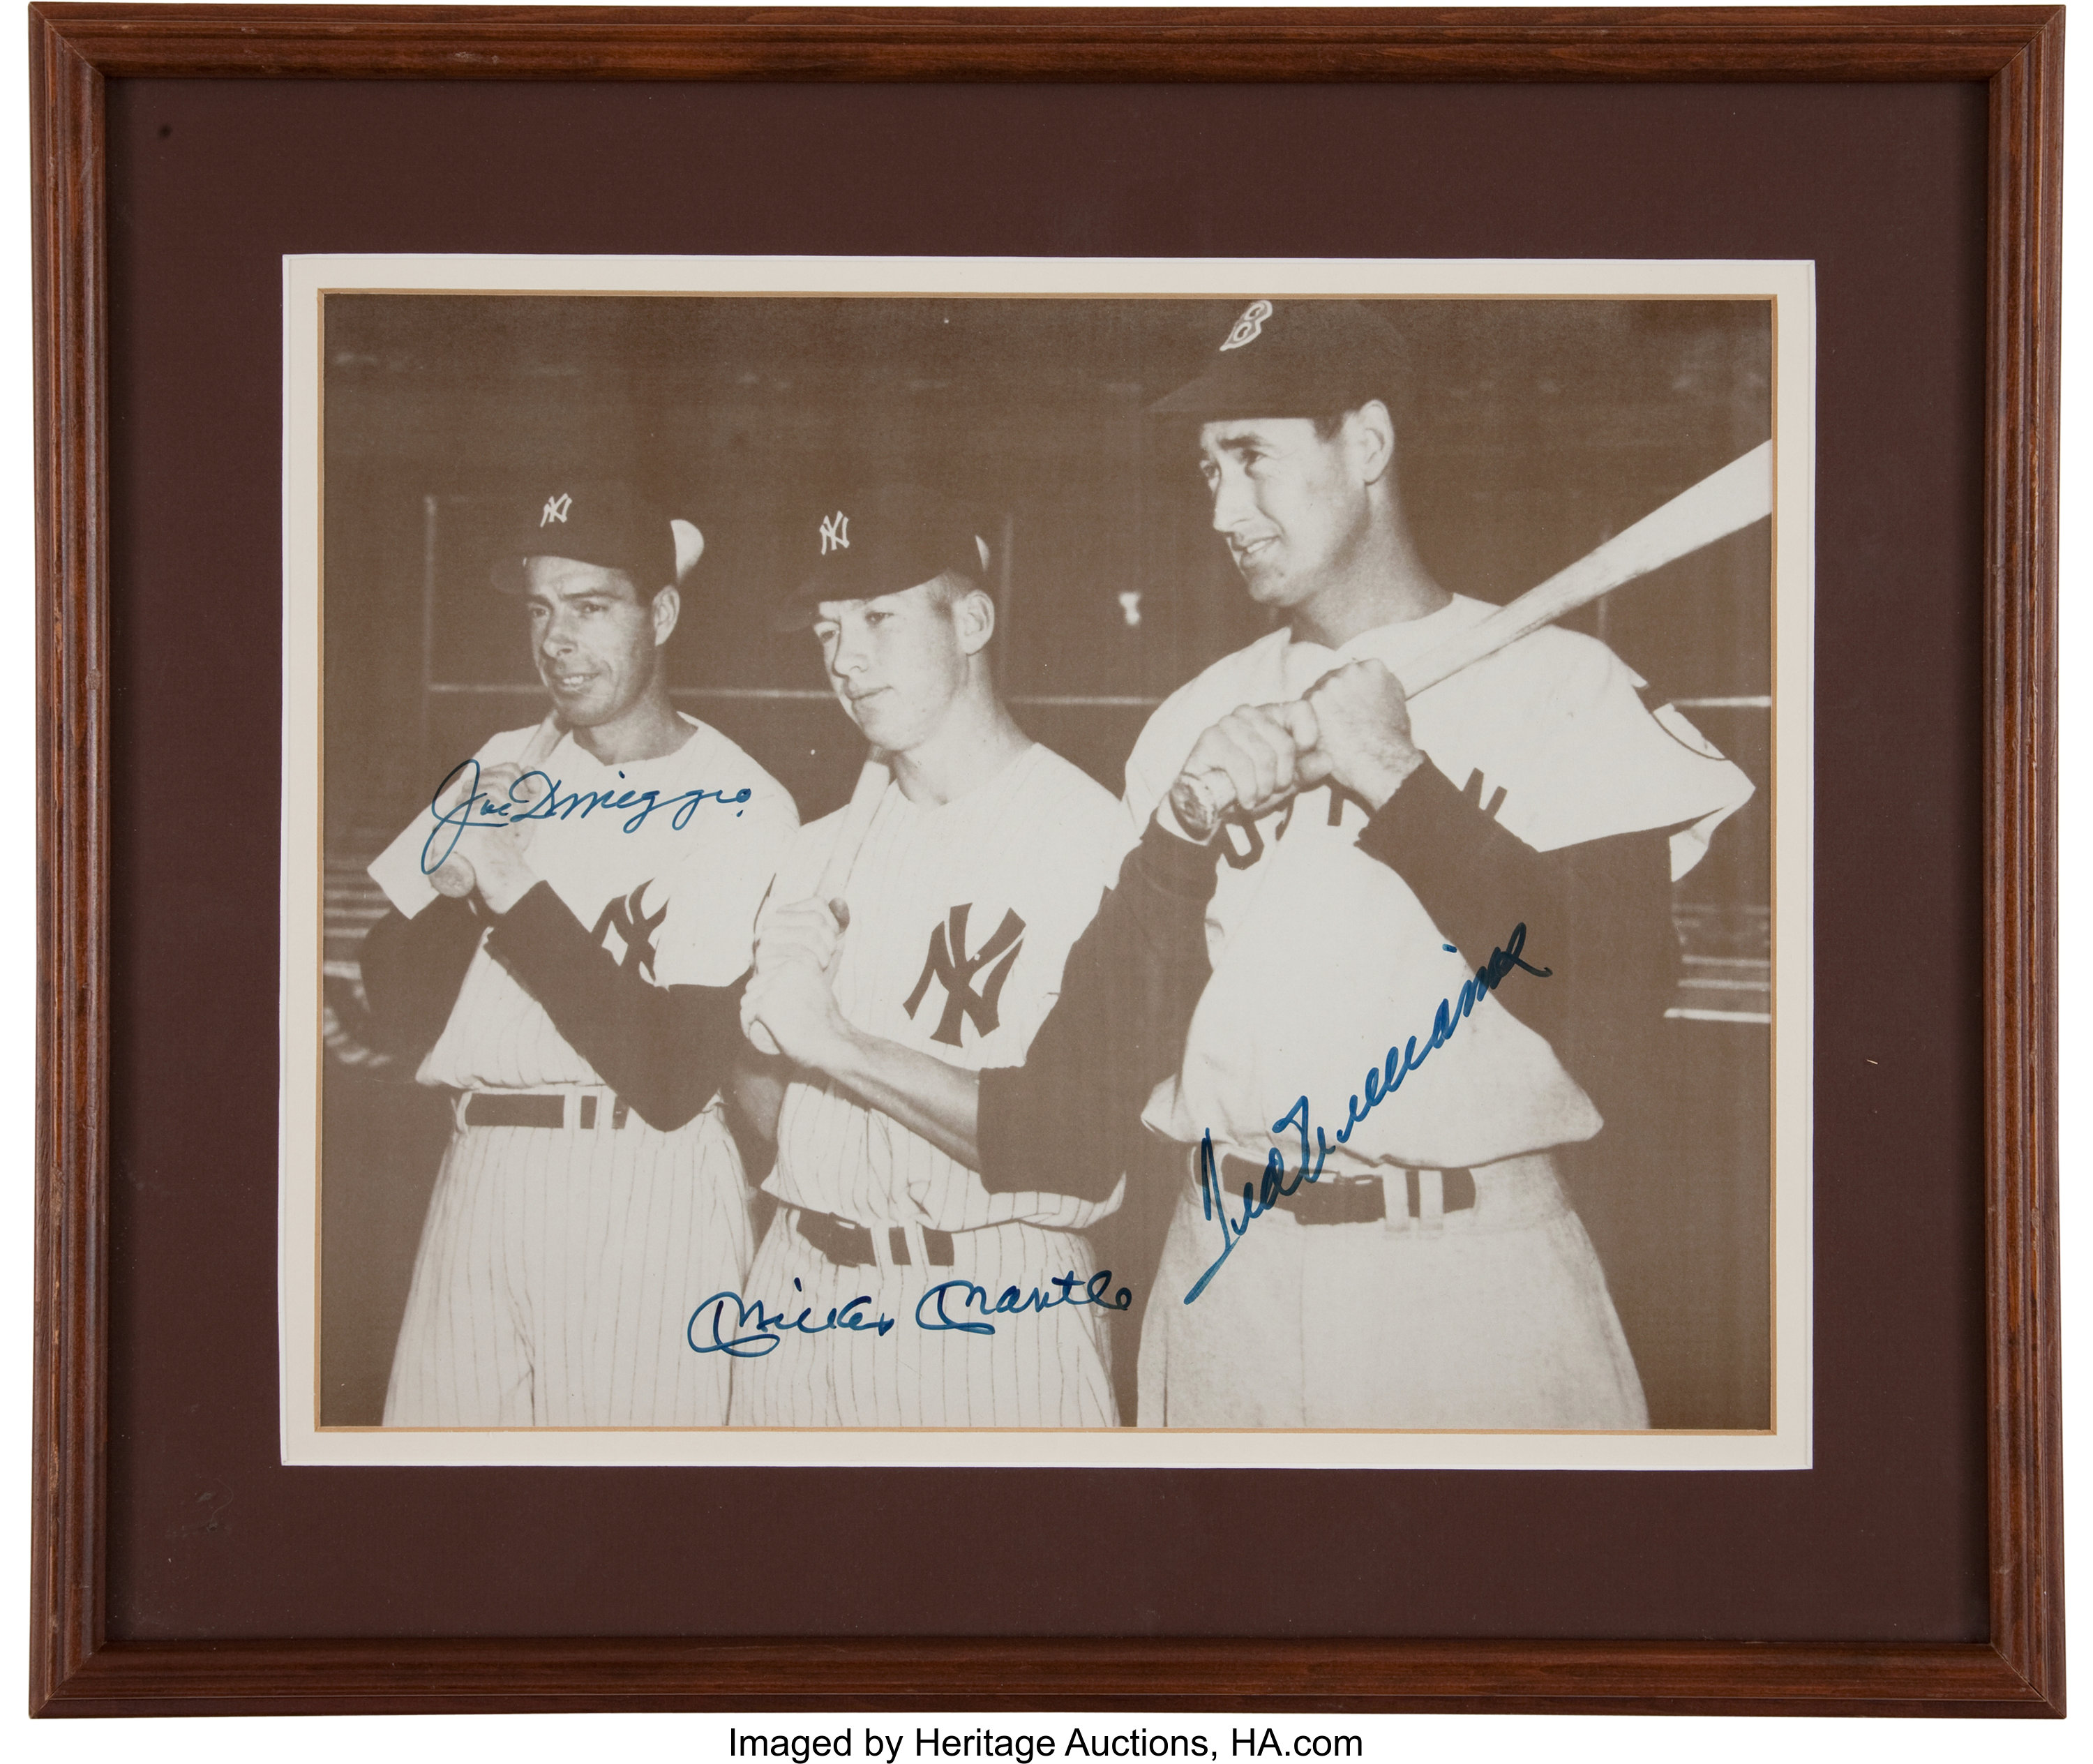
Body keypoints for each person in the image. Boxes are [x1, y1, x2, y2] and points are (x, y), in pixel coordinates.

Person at [1083, 298, 1756, 1430]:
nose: (1223, 509)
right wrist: (1184, 840)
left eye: (1252, 457)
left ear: (1371, 446)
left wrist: (1403, 785)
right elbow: (1117, 1039)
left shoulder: (1567, 687)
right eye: (1207, 470)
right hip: (1223, 1271)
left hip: (1463, 1275)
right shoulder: (1198, 719)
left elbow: (1621, 1006)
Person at [359, 479, 799, 1427]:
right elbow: (386, 1002)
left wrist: (508, 884)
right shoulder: (504, 755)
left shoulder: (740, 798)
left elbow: (675, 1073)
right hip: (477, 1166)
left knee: (636, 1530)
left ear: (663, 613)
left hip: (641, 1181)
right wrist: (452, 890)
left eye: (592, 607)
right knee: (439, 1514)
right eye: (541, 610)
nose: (557, 638)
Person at [722, 486, 1134, 1428]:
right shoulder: (817, 846)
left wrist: (832, 1042)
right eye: (827, 629)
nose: (845, 658)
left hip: (989, 1298)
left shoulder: (1092, 838)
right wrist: (758, 1035)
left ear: (973, 619)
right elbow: (764, 1097)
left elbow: (1077, 1148)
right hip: (793, 1283)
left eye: (877, 616)